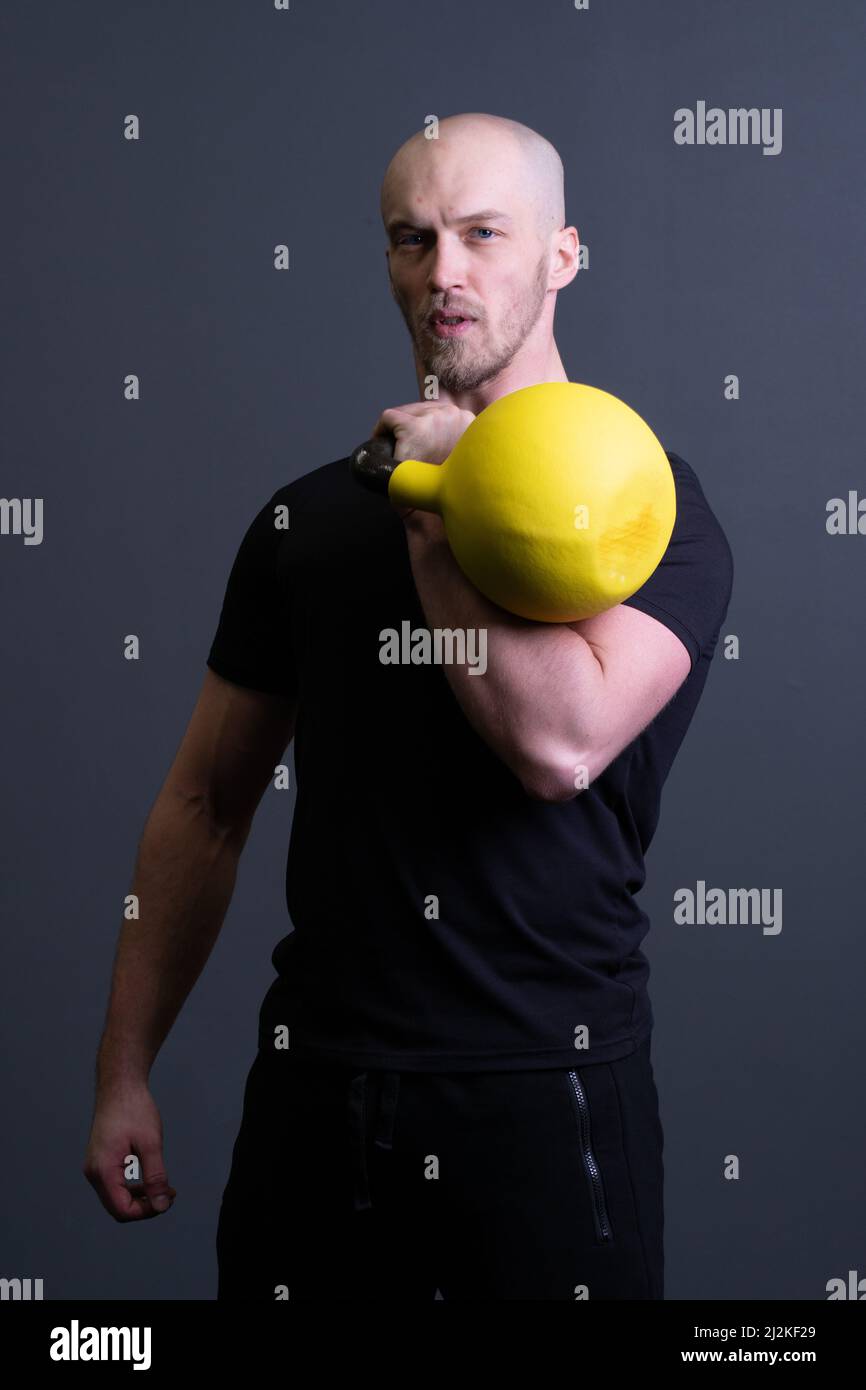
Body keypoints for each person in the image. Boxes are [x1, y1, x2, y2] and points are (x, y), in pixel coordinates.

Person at [84, 112, 733, 1300]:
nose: (445, 272)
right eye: (411, 239)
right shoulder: (307, 518)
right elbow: (201, 806)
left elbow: (557, 742)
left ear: (561, 256)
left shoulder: (650, 509)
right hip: (320, 1092)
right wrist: (125, 1070)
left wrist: (431, 508)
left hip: (546, 1092)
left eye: (484, 233)